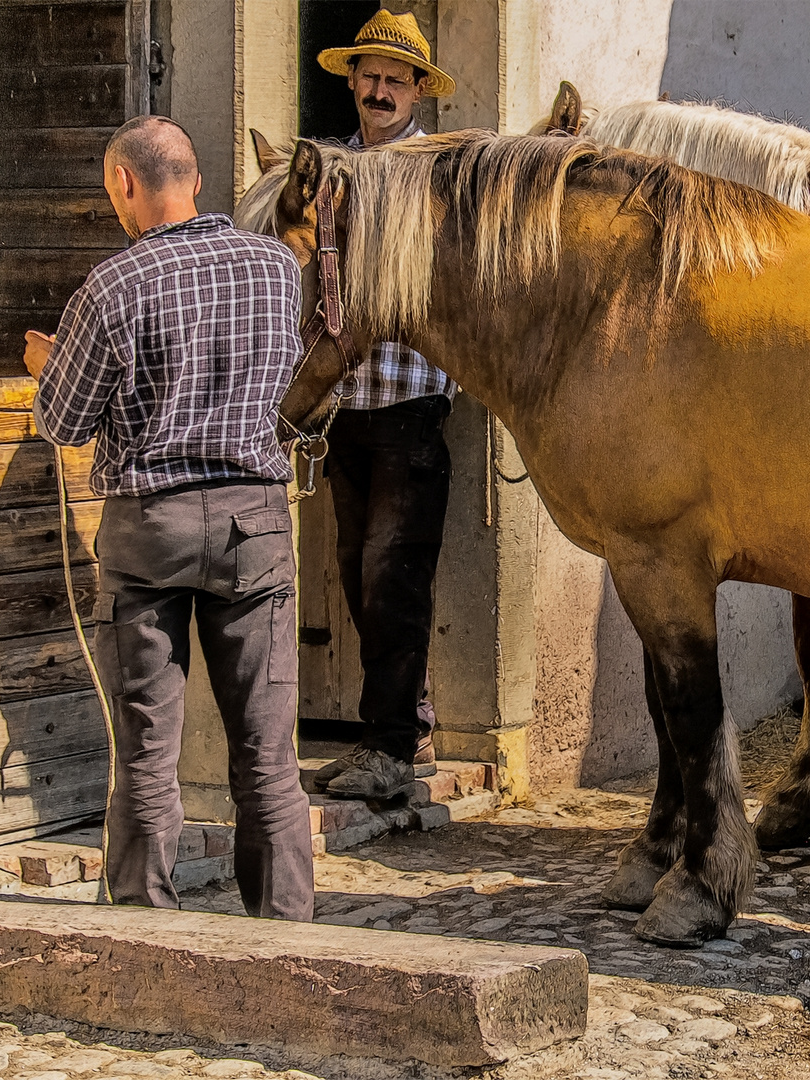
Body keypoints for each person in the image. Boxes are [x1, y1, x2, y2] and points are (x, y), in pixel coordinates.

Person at [24, 115, 314, 920]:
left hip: (150, 524)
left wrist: (51, 366)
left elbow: (65, 423)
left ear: (124, 183)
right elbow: (285, 377)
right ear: (193, 177)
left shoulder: (111, 288)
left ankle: (148, 926)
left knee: (148, 753)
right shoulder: (273, 268)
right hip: (253, 523)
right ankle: (287, 931)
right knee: (267, 754)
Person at [308, 9, 460, 800]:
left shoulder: (434, 175)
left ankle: (392, 752)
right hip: (345, 409)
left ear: (416, 94)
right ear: (352, 81)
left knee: (392, 578)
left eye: (394, 80)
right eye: (368, 76)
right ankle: (407, 726)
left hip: (410, 404)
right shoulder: (329, 172)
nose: (378, 90)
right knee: (357, 576)